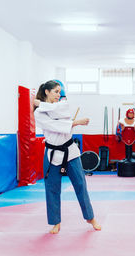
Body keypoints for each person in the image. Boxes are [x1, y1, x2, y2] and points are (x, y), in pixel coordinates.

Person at [33, 80, 101, 234]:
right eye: (55, 92)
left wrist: (39, 103)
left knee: (81, 185)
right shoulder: (38, 112)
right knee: (52, 189)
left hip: (71, 151)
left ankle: (90, 217)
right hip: (52, 154)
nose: (59, 95)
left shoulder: (62, 105)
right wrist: (76, 123)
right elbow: (54, 126)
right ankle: (55, 222)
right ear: (47, 92)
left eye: (59, 92)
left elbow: (60, 112)